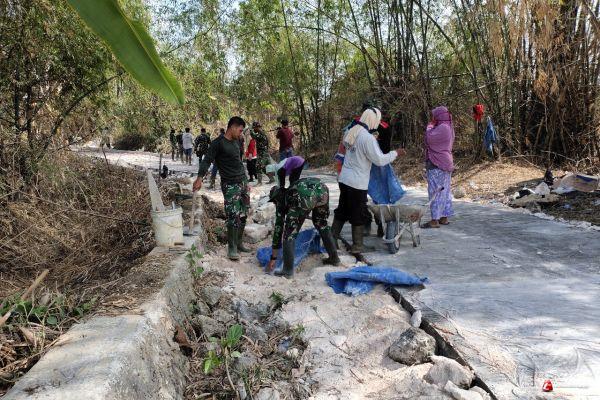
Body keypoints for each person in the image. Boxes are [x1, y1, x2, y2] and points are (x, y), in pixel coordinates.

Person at [331, 107, 405, 263]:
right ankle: (357, 246)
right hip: (357, 182)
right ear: (373, 120)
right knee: (357, 214)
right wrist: (395, 153)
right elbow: (379, 160)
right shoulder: (367, 138)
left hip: (344, 179)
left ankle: (331, 241)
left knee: (342, 210)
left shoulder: (350, 131)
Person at [265, 161, 339, 278]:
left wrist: (273, 258)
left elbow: (278, 230)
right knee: (322, 224)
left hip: (304, 195)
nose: (275, 204)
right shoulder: (290, 191)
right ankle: (334, 258)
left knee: (289, 234)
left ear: (276, 198)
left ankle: (287, 271)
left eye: (274, 202)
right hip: (322, 189)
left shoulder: (282, 201)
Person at [193, 117, 250, 260]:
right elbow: (207, 160)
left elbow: (238, 161)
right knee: (233, 215)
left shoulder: (237, 141)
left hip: (242, 182)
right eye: (240, 130)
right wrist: (199, 178)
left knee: (244, 213)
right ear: (232, 127)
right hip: (230, 184)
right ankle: (232, 248)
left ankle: (239, 243)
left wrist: (246, 181)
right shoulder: (218, 143)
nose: (241, 133)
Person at [422, 106, 455, 228]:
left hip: (436, 162)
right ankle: (444, 217)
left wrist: (429, 126)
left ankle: (434, 220)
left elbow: (428, 139)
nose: (433, 118)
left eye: (434, 116)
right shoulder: (449, 127)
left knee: (435, 191)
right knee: (445, 191)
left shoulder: (442, 127)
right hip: (446, 162)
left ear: (439, 116)